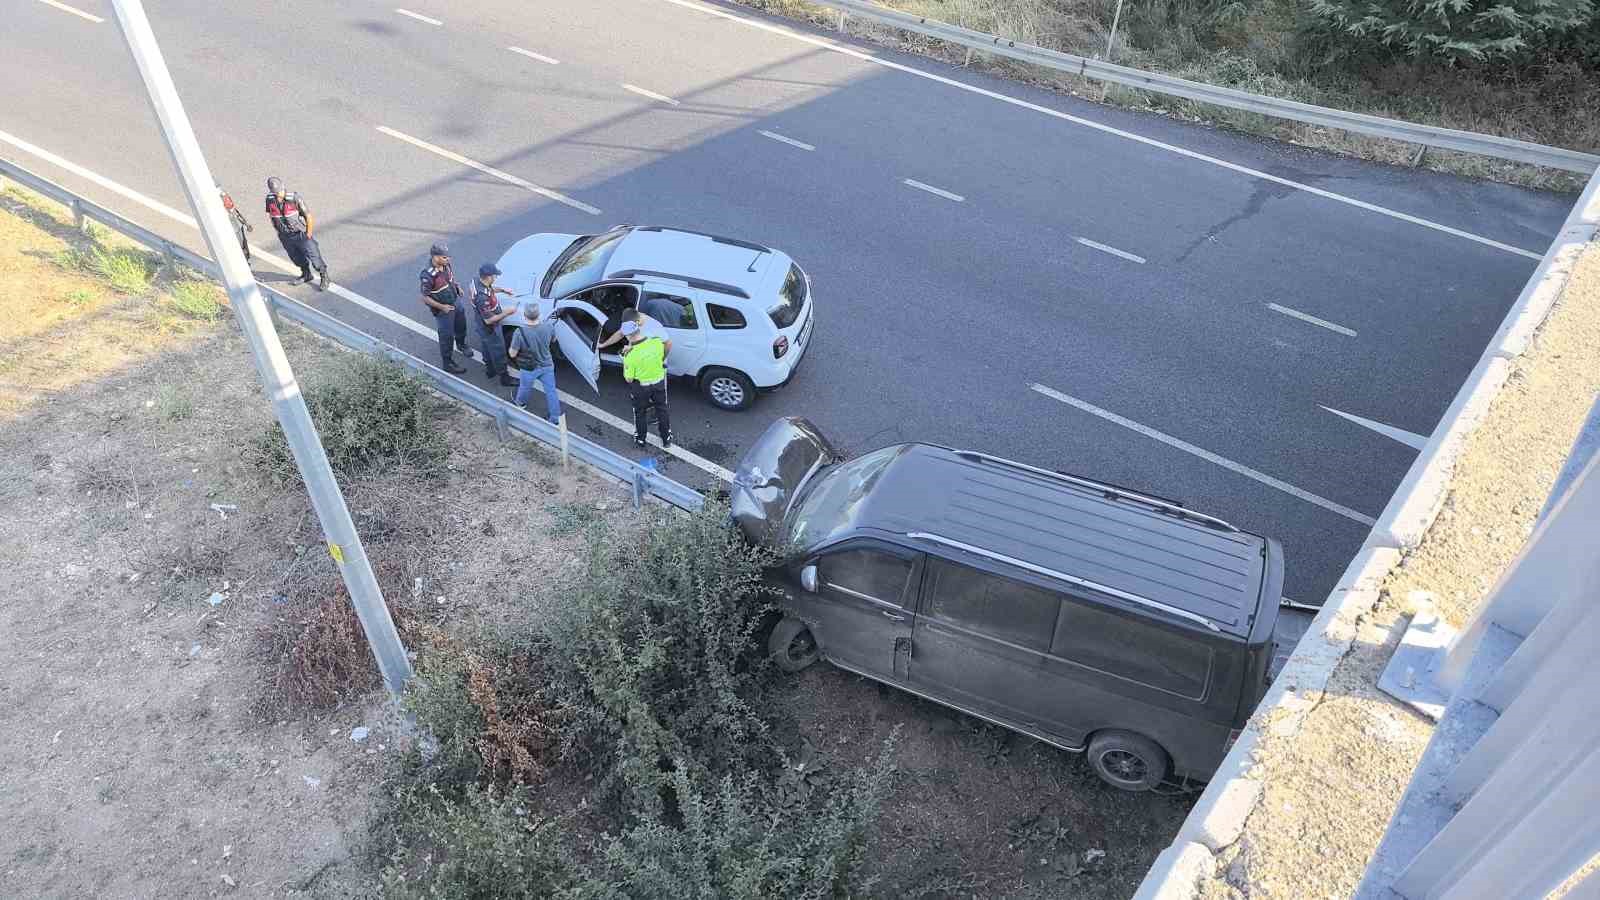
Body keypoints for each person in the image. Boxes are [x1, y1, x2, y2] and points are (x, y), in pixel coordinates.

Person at [263, 176, 328, 289]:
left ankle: (324, 277)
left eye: (279, 191)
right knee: (296, 257)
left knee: (314, 257)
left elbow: (308, 216)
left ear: (283, 187)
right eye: (276, 192)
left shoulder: (294, 198)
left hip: (300, 234)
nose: (279, 193)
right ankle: (306, 274)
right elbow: (271, 215)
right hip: (285, 236)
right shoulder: (269, 199)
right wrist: (278, 230)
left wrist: (308, 234)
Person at [507, 303, 562, 425]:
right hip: (547, 365)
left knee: (525, 387)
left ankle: (521, 404)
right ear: (539, 314)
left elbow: (512, 354)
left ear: (524, 315)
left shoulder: (519, 332)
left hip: (529, 368)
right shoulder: (548, 326)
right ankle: (555, 418)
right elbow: (553, 340)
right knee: (551, 391)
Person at [419, 243, 470, 374]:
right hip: (443, 309)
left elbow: (450, 279)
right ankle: (447, 363)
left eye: (448, 256)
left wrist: (457, 287)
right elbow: (425, 298)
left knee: (461, 324)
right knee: (446, 336)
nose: (448, 259)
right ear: (435, 257)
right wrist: (442, 307)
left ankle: (461, 344)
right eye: (444, 257)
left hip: (454, 300)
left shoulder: (446, 264)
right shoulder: (428, 275)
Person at [621, 320, 672, 449]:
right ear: (638, 330)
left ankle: (641, 439)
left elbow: (629, 379)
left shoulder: (630, 355)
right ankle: (666, 438)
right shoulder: (656, 342)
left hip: (641, 387)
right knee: (662, 409)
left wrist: (626, 356)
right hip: (659, 383)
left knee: (640, 412)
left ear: (627, 336)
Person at [469, 263, 517, 387]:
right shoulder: (482, 298)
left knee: (486, 346)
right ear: (488, 277)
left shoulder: (476, 281)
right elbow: (489, 321)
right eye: (494, 276)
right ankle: (504, 378)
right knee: (499, 350)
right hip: (490, 327)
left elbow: (489, 289)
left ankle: (490, 370)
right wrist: (507, 312)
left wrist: (502, 290)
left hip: (480, 322)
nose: (495, 278)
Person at [218, 185, 252, 262]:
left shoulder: (221, 196)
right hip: (233, 228)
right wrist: (246, 224)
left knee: (241, 248)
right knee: (241, 247)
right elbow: (234, 211)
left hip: (233, 228)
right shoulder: (221, 195)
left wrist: (246, 224)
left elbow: (234, 211)